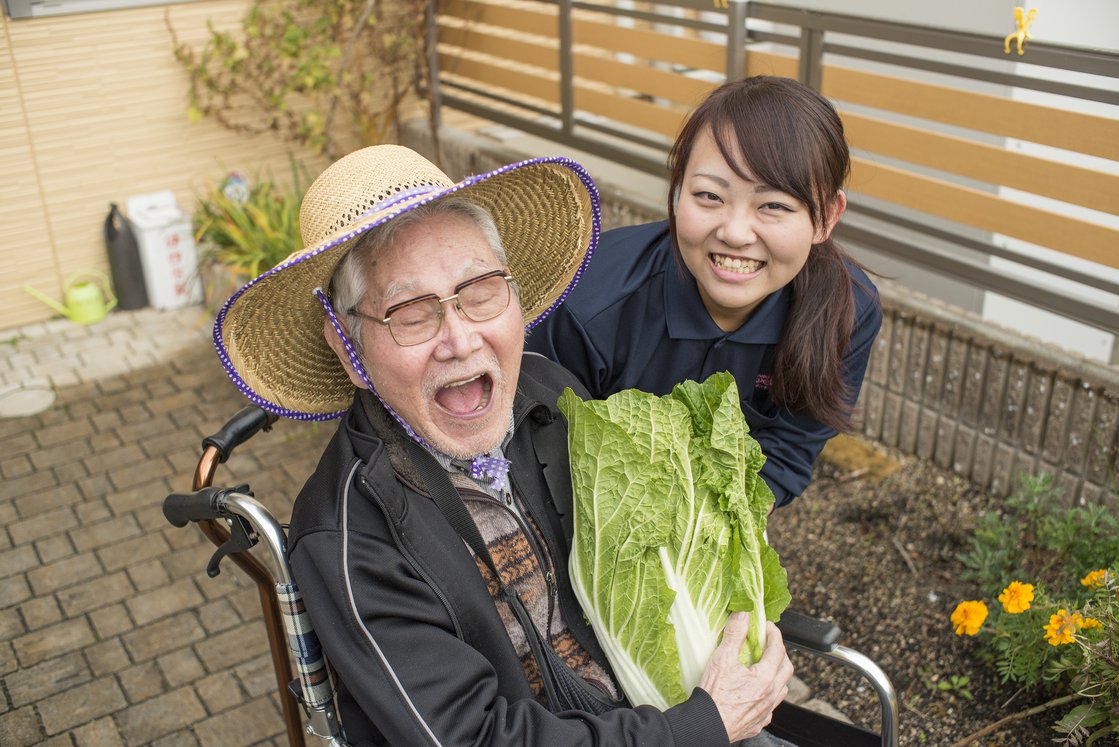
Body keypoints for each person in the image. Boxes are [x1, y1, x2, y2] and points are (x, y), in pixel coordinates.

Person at [214, 144, 795, 745]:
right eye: (411, 314)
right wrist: (702, 725)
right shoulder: (350, 538)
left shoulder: (551, 394)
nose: (461, 340)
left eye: (481, 290)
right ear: (350, 351)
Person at [526, 76, 883, 509]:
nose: (734, 233)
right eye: (709, 195)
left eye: (773, 205)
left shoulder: (849, 311)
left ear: (827, 217)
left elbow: (787, 451)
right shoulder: (586, 306)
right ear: (677, 193)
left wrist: (707, 536)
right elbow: (541, 466)